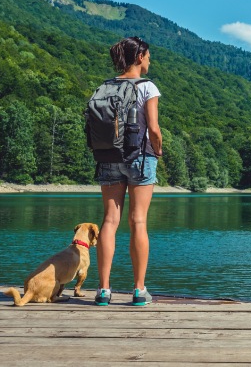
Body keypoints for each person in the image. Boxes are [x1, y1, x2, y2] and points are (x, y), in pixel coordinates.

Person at [94, 37, 163, 307]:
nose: (150, 60)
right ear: (140, 56)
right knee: (138, 221)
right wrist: (157, 151)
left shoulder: (106, 86)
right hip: (140, 157)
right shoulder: (148, 87)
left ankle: (103, 290)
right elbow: (154, 129)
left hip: (109, 156)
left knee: (110, 221)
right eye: (148, 55)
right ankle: (138, 290)